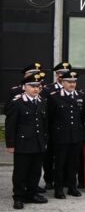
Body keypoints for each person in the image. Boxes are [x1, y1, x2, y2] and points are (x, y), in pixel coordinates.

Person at [6, 73, 49, 209]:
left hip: (38, 142)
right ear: (24, 87)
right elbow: (10, 125)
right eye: (32, 86)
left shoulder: (42, 101)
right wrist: (11, 144)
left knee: (35, 171)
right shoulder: (17, 103)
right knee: (20, 172)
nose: (36, 89)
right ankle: (18, 197)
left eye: (38, 86)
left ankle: (32, 193)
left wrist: (45, 139)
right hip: (22, 143)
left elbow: (44, 123)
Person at [47, 71, 83, 199]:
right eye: (69, 82)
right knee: (60, 164)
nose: (72, 84)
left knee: (74, 164)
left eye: (74, 82)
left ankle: (72, 187)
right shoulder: (54, 97)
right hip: (61, 136)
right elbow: (49, 118)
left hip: (76, 136)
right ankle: (59, 189)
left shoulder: (80, 95)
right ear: (62, 82)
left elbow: (82, 117)